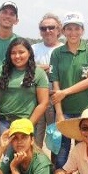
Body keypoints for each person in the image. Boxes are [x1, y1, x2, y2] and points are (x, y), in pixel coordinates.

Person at [50, 12, 88, 168]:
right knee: (61, 154)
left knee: (85, 153)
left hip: (85, 111)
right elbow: (55, 84)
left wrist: (65, 92)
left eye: (77, 28)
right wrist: (59, 114)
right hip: (64, 111)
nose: (73, 33)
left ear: (82, 30)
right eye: (69, 28)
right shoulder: (57, 53)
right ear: (63, 31)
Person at [0, 38, 49, 134]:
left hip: (26, 123)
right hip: (3, 123)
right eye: (13, 53)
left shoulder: (38, 73)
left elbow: (43, 103)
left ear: (29, 53)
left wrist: (28, 125)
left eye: (21, 52)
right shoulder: (1, 71)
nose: (17, 56)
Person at [32, 13, 63, 148]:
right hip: (36, 98)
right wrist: (41, 68)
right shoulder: (33, 49)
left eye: (51, 27)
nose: (48, 31)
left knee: (55, 137)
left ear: (59, 30)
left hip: (55, 98)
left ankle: (55, 168)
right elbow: (24, 67)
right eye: (43, 28)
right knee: (35, 136)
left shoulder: (63, 50)